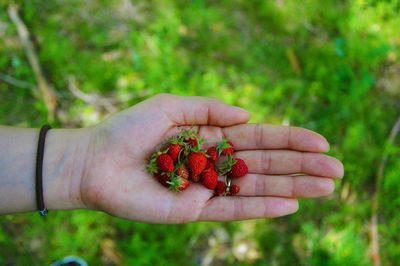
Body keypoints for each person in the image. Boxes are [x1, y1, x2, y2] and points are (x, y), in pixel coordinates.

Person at [0, 94, 343, 223]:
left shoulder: (201, 164)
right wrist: (81, 163)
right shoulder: (185, 164)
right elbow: (195, 168)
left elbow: (206, 169)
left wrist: (76, 165)